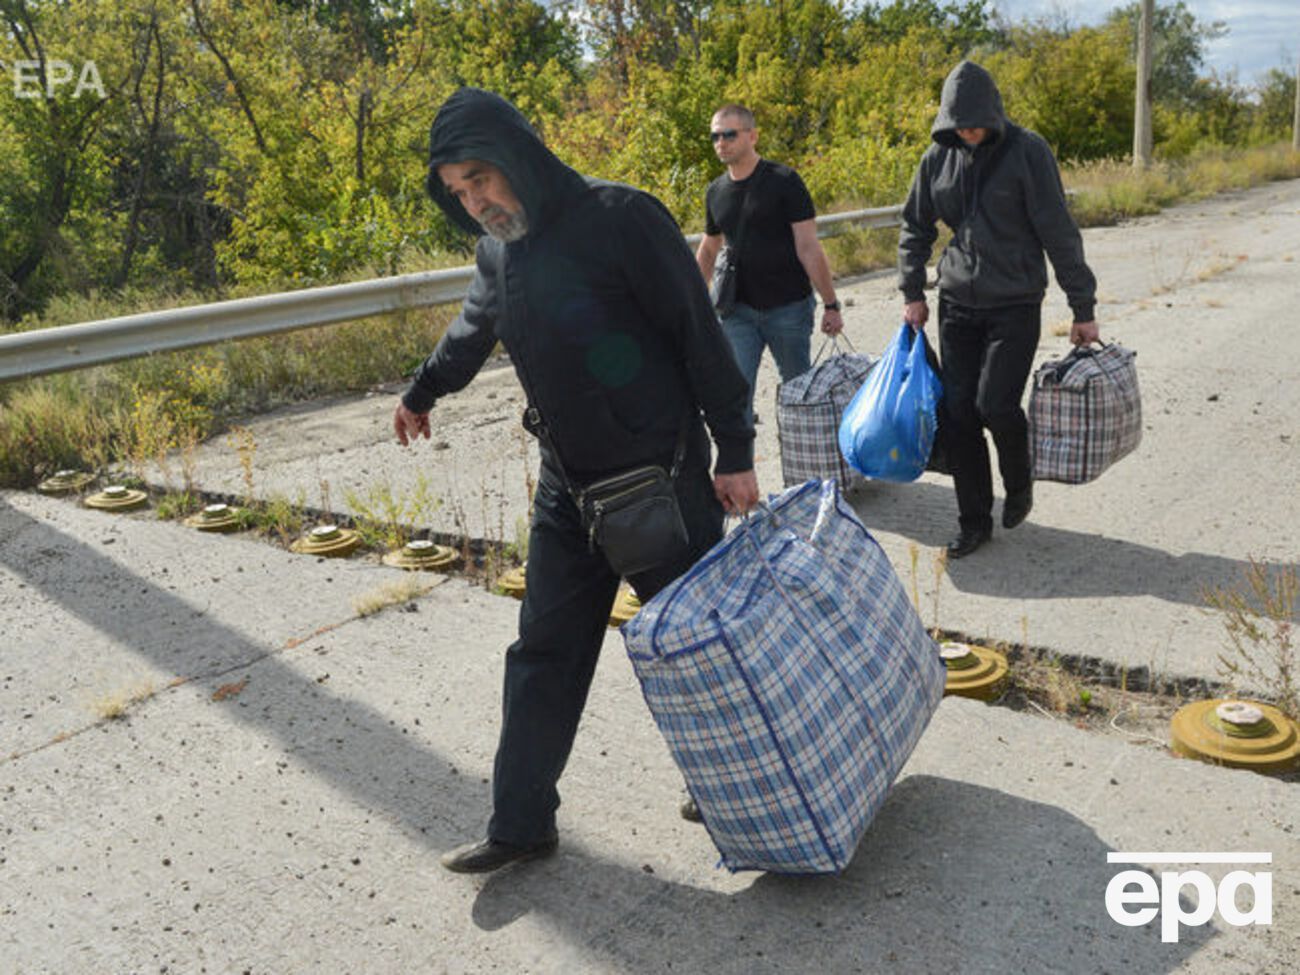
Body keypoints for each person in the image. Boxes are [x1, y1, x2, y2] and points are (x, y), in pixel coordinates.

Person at [393, 87, 759, 874]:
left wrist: (734, 449)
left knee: (695, 650)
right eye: (457, 192)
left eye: (480, 180)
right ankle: (521, 822)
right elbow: (471, 329)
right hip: (570, 492)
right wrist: (422, 391)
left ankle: (743, 789)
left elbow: (698, 335)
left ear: (518, 156)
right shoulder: (498, 249)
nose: (475, 202)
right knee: (543, 651)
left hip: (660, 482)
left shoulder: (621, 219)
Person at [898, 60, 1100, 559]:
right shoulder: (936, 159)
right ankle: (973, 522)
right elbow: (914, 226)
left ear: (993, 112)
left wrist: (1082, 306)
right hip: (957, 304)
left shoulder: (1027, 152)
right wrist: (912, 291)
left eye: (975, 120)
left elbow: (1058, 231)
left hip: (1015, 303)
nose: (967, 130)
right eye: (958, 122)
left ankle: (1019, 477)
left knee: (995, 405)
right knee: (959, 413)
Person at [695, 104, 843, 420]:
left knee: (800, 399)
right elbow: (709, 249)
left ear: (752, 136)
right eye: (715, 136)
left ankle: (806, 467)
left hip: (788, 309)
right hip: (737, 313)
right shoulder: (715, 192)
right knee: (736, 403)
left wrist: (831, 304)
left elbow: (808, 247)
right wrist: (692, 301)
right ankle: (740, 469)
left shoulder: (785, 181)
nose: (721, 142)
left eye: (729, 134)